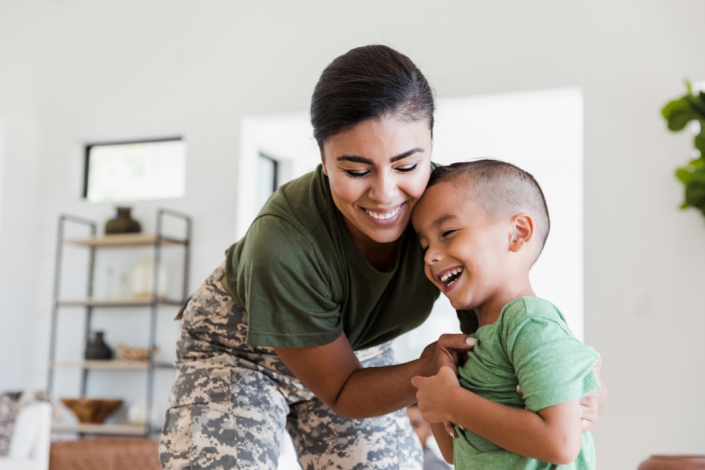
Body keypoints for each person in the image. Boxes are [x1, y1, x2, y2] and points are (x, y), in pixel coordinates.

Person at [159, 45, 607, 470]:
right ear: (323, 159)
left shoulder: (445, 216)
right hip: (240, 353)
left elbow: (502, 338)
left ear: (430, 144)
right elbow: (341, 387)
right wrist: (429, 373)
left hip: (358, 352)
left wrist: (570, 384)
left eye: (407, 166)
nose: (386, 194)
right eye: (356, 171)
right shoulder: (282, 243)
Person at [411, 160, 603, 469]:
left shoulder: (529, 321)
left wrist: (452, 402)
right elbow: (456, 453)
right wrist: (439, 379)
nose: (431, 255)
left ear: (517, 233)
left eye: (447, 232)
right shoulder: (473, 345)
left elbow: (561, 443)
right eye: (424, 246)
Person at [406, 404, 451, 470]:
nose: (408, 430)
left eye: (416, 425)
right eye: (405, 424)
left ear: (432, 430)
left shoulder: (434, 467)